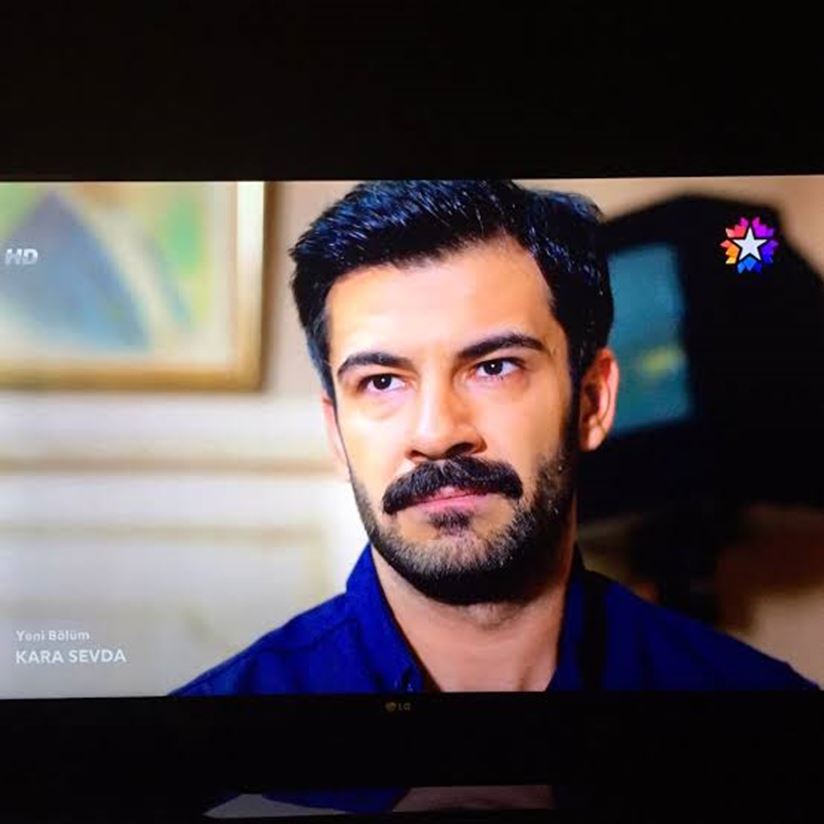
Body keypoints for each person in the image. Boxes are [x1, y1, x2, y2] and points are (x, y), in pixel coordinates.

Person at [175, 180, 815, 694]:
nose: (435, 434)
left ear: (593, 402)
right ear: (336, 433)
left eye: (494, 368)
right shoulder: (205, 759)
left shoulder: (765, 720)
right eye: (381, 382)